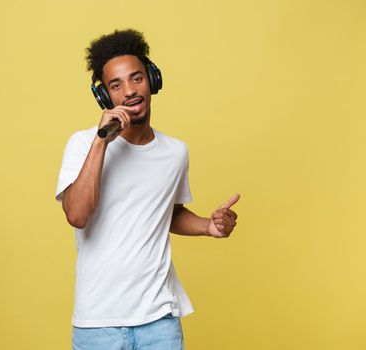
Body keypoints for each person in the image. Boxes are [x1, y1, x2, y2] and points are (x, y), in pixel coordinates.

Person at [55, 29, 240, 350]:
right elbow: (77, 214)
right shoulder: (84, 143)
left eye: (136, 78)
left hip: (159, 320)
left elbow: (166, 213)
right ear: (104, 96)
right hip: (99, 323)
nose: (129, 91)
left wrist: (208, 226)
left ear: (153, 80)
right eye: (116, 85)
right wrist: (102, 142)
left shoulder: (175, 152)